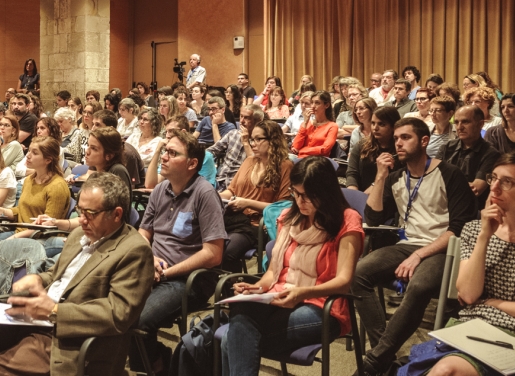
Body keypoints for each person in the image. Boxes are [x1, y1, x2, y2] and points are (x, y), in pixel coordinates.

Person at [0, 172, 154, 375]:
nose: (81, 220)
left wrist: (54, 311)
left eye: (90, 213)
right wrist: (37, 278)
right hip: (34, 318)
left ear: (116, 214)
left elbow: (118, 314)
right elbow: (56, 276)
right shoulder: (80, 234)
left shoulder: (134, 251)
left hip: (64, 336)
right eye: (80, 211)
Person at [402, 153, 515, 376]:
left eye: (506, 182)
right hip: (473, 331)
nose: (493, 188)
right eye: (493, 178)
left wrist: (495, 303)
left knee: (447, 370)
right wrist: (485, 236)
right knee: (446, 369)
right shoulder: (475, 230)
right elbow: (467, 294)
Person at [213, 157, 364, 376]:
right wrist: (257, 289)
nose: (300, 201)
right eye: (296, 193)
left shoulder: (347, 220)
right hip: (281, 296)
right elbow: (274, 273)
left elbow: (343, 282)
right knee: (242, 314)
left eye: (307, 196)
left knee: (232, 337)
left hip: (322, 305)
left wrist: (303, 292)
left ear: (325, 192)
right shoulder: (290, 217)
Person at [351, 118, 475, 376]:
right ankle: (384, 354)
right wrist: (380, 176)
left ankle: (373, 364)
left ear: (424, 141)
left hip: (444, 249)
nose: (398, 143)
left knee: (419, 285)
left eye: (406, 137)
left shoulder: (449, 174)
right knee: (358, 274)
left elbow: (459, 228)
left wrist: (418, 255)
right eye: (396, 138)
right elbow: (372, 218)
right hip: (408, 245)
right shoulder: (397, 176)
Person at [130, 130, 226, 374]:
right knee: (111, 305)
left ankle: (159, 366)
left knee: (138, 320)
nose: (163, 157)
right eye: (165, 151)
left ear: (192, 163)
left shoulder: (205, 194)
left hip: (187, 279)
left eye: (172, 153)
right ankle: (156, 362)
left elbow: (213, 254)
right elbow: (144, 233)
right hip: (154, 270)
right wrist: (150, 258)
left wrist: (168, 272)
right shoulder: (161, 189)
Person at [218, 120, 292, 272]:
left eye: (259, 139)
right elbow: (231, 191)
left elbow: (282, 207)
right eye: (252, 139)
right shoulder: (249, 160)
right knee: (204, 244)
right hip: (234, 218)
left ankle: (232, 286)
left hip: (258, 225)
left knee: (226, 251)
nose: (253, 143)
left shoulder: (285, 166)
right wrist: (217, 197)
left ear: (273, 140)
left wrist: (247, 203)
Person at [442, 106, 501, 211]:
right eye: (456, 122)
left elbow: (476, 189)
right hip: (443, 206)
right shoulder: (446, 148)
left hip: (470, 210)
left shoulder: (491, 154)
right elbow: (433, 179)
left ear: (480, 124)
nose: (459, 127)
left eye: (465, 122)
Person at [210, 103, 263, 191]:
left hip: (241, 185)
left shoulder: (261, 141)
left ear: (258, 121)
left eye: (246, 118)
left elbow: (257, 164)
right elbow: (212, 150)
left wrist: (246, 142)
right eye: (241, 116)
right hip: (219, 180)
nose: (241, 121)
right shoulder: (233, 134)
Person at [346, 106, 400, 192]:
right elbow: (352, 173)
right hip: (360, 194)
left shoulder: (400, 150)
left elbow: (390, 181)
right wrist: (354, 193)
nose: (375, 128)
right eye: (373, 123)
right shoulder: (362, 145)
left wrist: (363, 197)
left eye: (381, 124)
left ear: (393, 126)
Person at [68, 127, 132, 191]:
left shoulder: (118, 170)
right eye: (88, 145)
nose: (87, 151)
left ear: (109, 156)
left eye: (94, 148)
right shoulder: (97, 169)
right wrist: (76, 179)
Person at [290, 91, 338, 158]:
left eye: (317, 103)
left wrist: (303, 150)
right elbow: (295, 147)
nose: (313, 106)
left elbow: (325, 149)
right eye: (312, 102)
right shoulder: (306, 123)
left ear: (326, 105)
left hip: (318, 160)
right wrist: (305, 122)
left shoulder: (332, 126)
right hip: (301, 158)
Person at [427, 95, 457, 159]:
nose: (432, 114)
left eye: (438, 110)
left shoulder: (457, 132)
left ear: (450, 113)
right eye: (431, 110)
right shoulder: (425, 130)